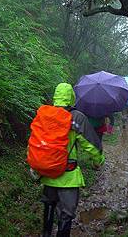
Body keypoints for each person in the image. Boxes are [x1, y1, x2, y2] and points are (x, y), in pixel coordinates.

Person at [39, 83, 105, 237]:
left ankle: (46, 233)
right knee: (66, 213)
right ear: (72, 97)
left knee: (49, 204)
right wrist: (98, 160)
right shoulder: (76, 117)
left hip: (47, 172)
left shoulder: (45, 114)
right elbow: (91, 144)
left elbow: (36, 140)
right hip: (67, 175)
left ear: (55, 96)